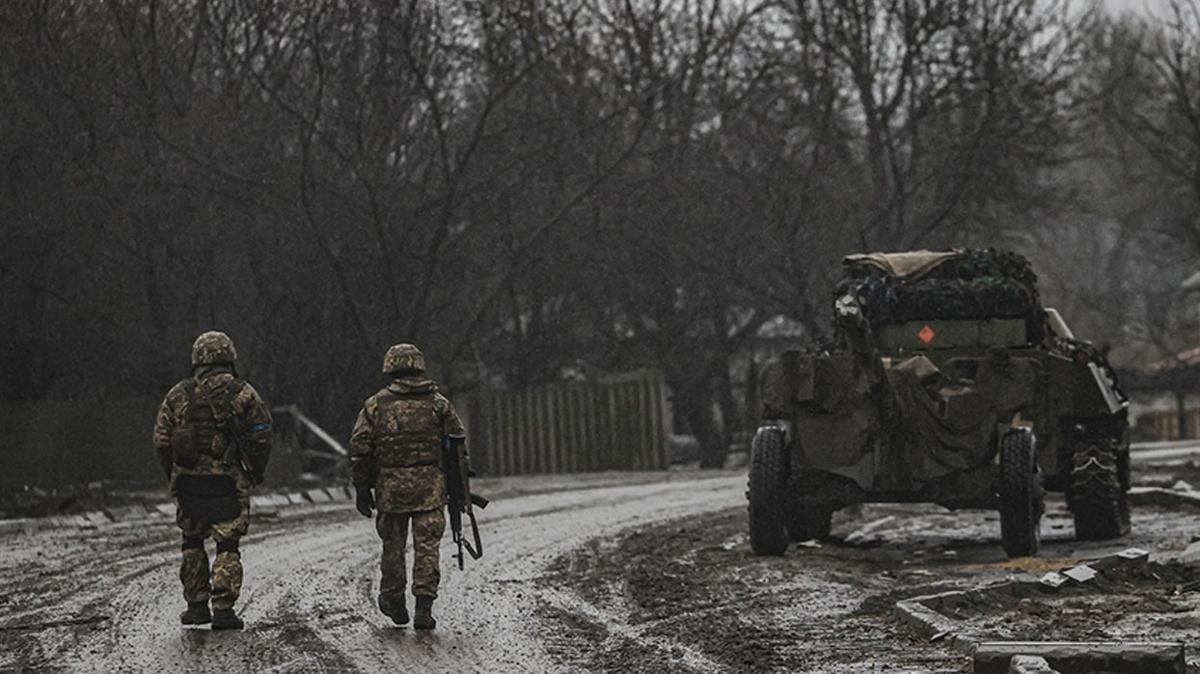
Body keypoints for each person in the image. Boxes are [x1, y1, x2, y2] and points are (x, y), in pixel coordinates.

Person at [152, 331, 272, 630]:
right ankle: (223, 609)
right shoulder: (244, 393)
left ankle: (195, 606)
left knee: (192, 541)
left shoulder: (178, 394)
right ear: (229, 357)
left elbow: (161, 440)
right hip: (228, 482)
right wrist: (254, 470)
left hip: (188, 481)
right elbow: (262, 435)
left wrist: (174, 474)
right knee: (227, 543)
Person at [350, 343, 465, 630]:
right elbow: (458, 450)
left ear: (390, 368)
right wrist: (459, 488)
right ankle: (424, 607)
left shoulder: (375, 405)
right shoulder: (439, 404)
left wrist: (362, 489)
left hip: (391, 490)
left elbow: (360, 449)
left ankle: (393, 599)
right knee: (427, 547)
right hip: (430, 489)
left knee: (393, 547)